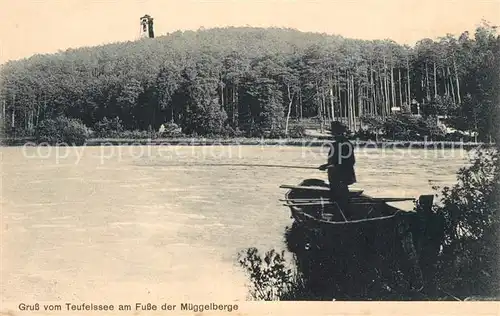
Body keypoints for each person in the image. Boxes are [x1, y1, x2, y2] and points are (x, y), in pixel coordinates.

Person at [319, 122, 357, 217]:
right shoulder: (339, 144)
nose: (334, 135)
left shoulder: (345, 145)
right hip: (338, 176)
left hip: (340, 176)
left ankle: (342, 216)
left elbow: (349, 161)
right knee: (339, 196)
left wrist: (332, 166)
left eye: (335, 133)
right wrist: (327, 165)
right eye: (334, 134)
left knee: (340, 197)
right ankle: (342, 215)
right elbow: (335, 161)